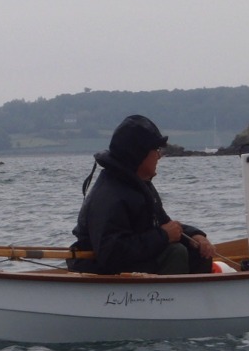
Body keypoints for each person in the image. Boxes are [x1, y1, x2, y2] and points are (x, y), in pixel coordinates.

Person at [68, 114, 215, 275]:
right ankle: (175, 299)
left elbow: (163, 224)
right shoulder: (109, 196)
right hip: (103, 272)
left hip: (133, 263)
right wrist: (163, 236)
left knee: (200, 253)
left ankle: (197, 296)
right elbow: (110, 252)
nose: (159, 156)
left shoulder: (139, 185)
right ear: (139, 153)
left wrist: (195, 235)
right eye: (157, 150)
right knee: (175, 253)